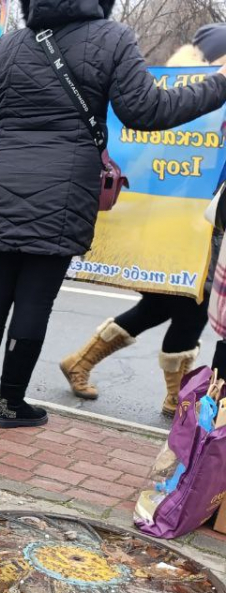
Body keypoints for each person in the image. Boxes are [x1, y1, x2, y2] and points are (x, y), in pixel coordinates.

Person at [0, 0, 226, 429]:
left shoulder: (9, 45)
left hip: (2, 186)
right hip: (64, 190)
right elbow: (147, 111)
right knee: (34, 300)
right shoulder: (112, 38)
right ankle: (10, 405)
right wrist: (218, 84)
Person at [60, 27, 226, 417]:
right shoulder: (202, 96)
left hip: (174, 221)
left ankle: (81, 362)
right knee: (189, 307)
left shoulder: (175, 92)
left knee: (161, 306)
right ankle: (175, 398)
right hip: (187, 224)